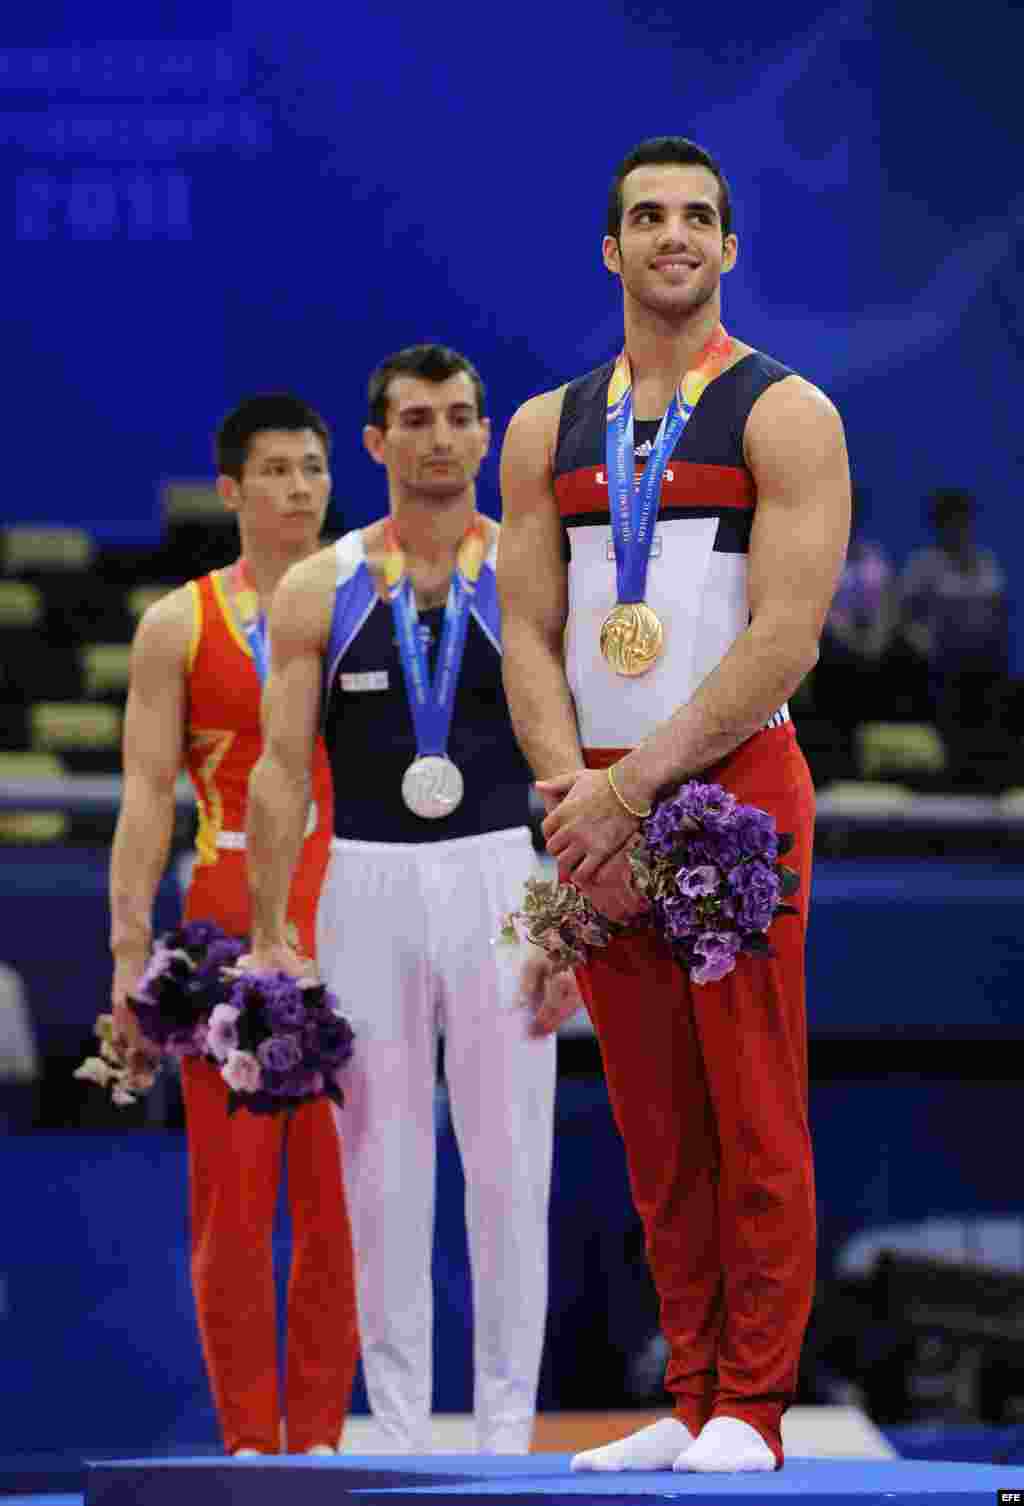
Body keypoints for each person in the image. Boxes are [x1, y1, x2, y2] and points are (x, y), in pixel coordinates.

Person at [498, 137, 851, 1473]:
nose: (674, 236)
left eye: (698, 216)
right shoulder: (547, 427)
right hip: (597, 793)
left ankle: (754, 1411)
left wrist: (632, 787)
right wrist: (570, 792)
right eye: (647, 217)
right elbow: (525, 631)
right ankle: (692, 1388)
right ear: (610, 248)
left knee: (751, 1105)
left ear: (731, 246)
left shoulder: (785, 413)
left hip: (730, 790)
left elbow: (786, 638)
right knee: (655, 1119)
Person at [243, 344, 581, 1454]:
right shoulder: (317, 586)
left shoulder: (533, 572)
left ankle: (502, 1435)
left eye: (459, 418)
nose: (440, 438)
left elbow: (574, 763)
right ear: (376, 444)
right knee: (377, 1166)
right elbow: (282, 769)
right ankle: (392, 1434)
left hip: (502, 871)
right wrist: (268, 930)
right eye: (415, 420)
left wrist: (570, 920)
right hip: (364, 881)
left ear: (486, 436)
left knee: (508, 1161)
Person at [109, 394, 359, 1457]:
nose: (299, 489)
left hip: (352, 903)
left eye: (312, 469)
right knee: (234, 1202)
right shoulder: (178, 625)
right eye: (276, 471)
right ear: (230, 490)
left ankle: (320, 1445)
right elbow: (144, 796)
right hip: (222, 916)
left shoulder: (375, 604)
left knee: (343, 1206)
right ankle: (250, 1441)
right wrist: (130, 953)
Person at [898, 487, 1009, 787]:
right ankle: (952, 771)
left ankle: (989, 770)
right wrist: (925, 647)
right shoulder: (923, 565)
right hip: (943, 666)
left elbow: (999, 616)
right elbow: (905, 619)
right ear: (940, 525)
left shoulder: (986, 563)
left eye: (963, 520)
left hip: (984, 665)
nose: (958, 527)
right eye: (951, 521)